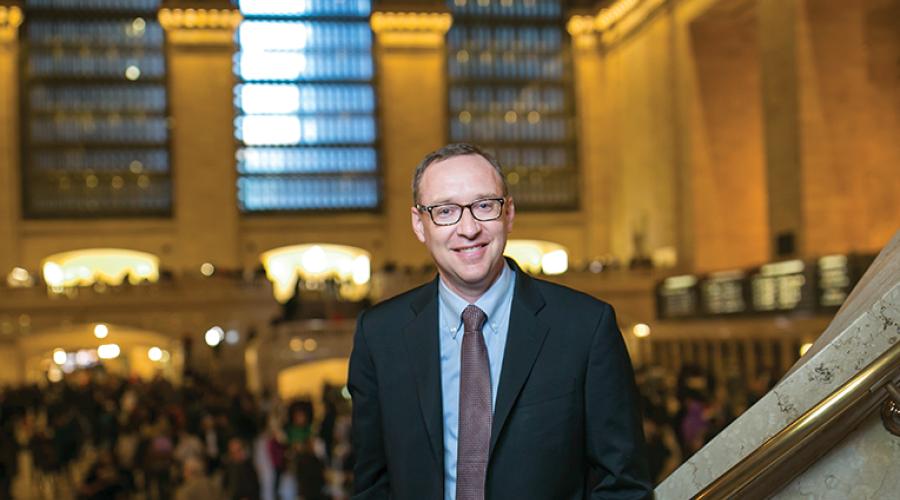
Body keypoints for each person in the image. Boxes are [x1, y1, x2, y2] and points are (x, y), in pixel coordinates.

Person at [348, 143, 652, 499]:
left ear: (508, 213)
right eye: (445, 211)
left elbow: (624, 486)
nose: (469, 228)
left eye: (484, 206)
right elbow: (371, 486)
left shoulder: (586, 327)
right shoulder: (380, 335)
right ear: (420, 223)